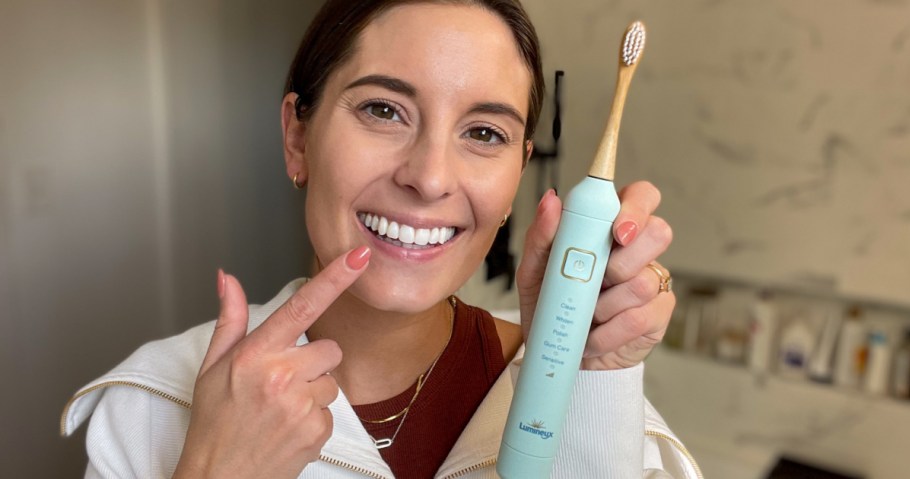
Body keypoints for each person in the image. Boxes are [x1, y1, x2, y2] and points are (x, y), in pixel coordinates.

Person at [61, 1, 701, 477]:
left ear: (514, 182)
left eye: (484, 133)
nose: (428, 178)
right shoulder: (149, 404)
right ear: (297, 137)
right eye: (383, 110)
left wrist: (590, 376)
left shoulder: (605, 401)